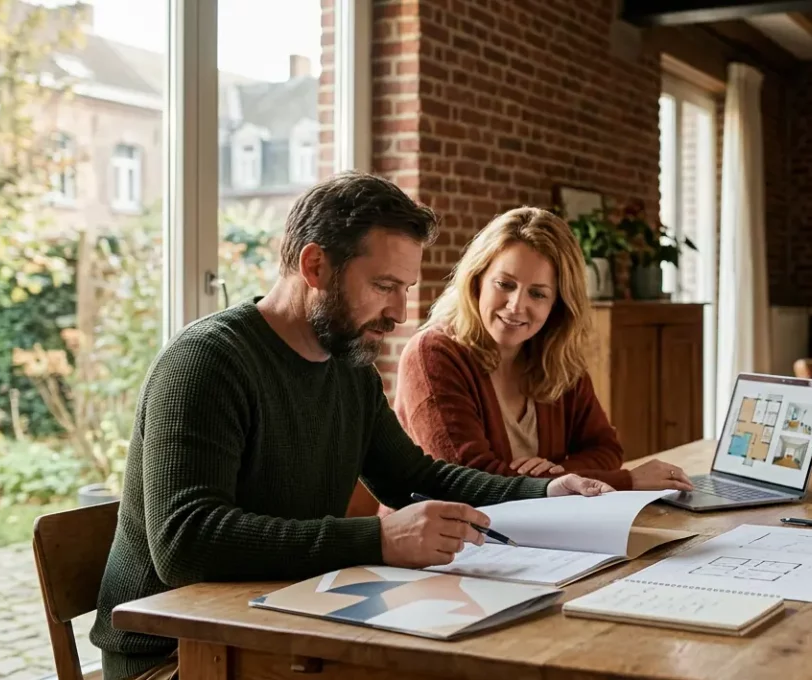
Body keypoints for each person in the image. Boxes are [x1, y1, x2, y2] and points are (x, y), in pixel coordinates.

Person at [88, 173, 612, 680]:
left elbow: (414, 476)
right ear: (314, 264)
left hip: (282, 621)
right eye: (384, 286)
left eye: (405, 288)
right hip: (179, 655)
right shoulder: (206, 362)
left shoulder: (348, 365)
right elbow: (186, 543)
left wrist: (544, 489)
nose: (399, 312)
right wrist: (377, 539)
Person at [392, 206, 693, 492]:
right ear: (477, 280)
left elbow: (605, 448)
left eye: (537, 293)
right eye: (504, 284)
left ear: (557, 305)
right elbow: (471, 482)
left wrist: (554, 475)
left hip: (539, 536)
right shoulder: (433, 355)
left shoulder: (557, 358)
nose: (516, 306)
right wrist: (622, 481)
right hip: (449, 542)